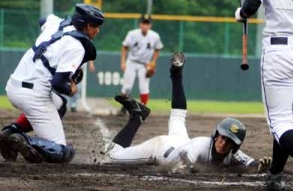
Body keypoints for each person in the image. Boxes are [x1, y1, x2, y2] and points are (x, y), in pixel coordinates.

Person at [102, 53, 270, 173]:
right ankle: (136, 118)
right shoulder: (201, 145)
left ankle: (175, 76)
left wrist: (260, 165)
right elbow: (184, 159)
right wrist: (188, 167)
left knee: (178, 116)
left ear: (235, 146)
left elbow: (250, 163)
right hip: (160, 148)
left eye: (229, 141)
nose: (224, 143)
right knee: (110, 157)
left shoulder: (232, 153)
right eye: (223, 137)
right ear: (216, 134)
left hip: (181, 140)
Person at [2, 3, 104, 163]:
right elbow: (58, 83)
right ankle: (20, 140)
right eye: (96, 27)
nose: (97, 31)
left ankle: (9, 132)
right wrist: (71, 89)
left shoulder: (56, 22)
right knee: (63, 153)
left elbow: (43, 21)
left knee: (60, 104)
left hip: (13, 86)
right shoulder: (77, 47)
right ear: (87, 25)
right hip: (34, 96)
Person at [235, 0, 293, 190]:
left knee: (280, 122)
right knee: (287, 118)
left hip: (280, 51)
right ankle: (275, 176)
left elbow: (251, 5)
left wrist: (241, 13)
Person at [118, 14, 163, 115]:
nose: (145, 25)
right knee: (127, 87)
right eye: (143, 23)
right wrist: (123, 62)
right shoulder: (132, 34)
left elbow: (158, 48)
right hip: (132, 63)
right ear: (139, 24)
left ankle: (142, 109)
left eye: (147, 23)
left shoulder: (155, 36)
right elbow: (124, 47)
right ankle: (124, 108)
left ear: (150, 25)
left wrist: (153, 61)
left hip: (145, 65)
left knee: (144, 87)